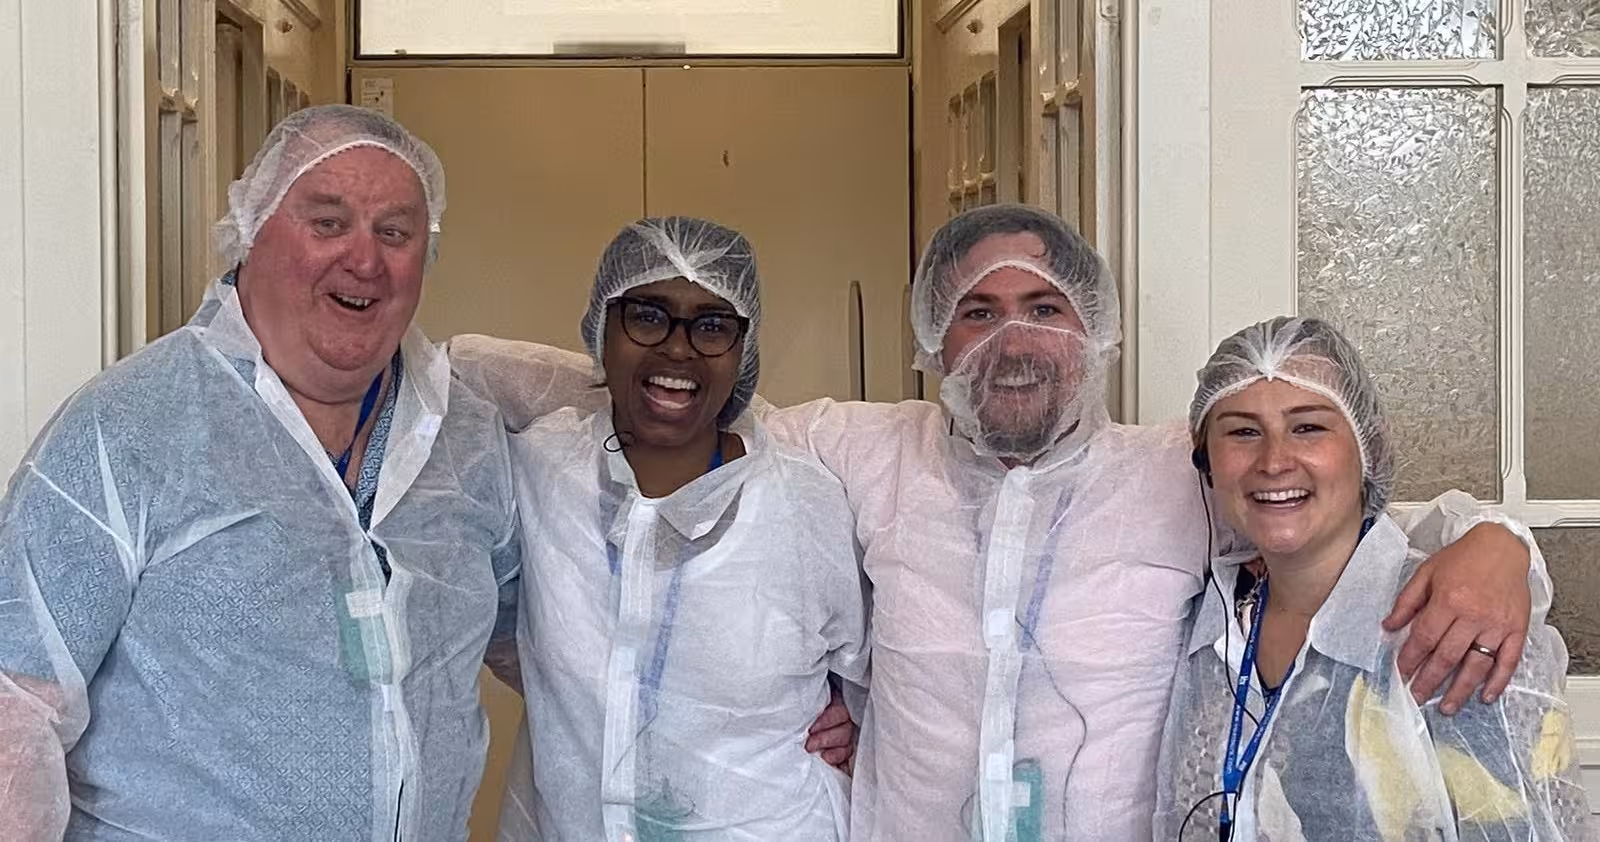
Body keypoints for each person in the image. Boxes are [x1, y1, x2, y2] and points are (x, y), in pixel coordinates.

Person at [448, 204, 1540, 841]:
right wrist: (418, 372)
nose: (1011, 341)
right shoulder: (854, 447)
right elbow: (674, 395)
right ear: (933, 331)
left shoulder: (1190, 463)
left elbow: (1357, 503)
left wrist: (1498, 542)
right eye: (976, 310)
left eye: (1044, 309)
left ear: (1094, 331)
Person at [0, 105, 522, 840]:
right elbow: (16, 703)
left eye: (395, 233)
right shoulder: (129, 428)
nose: (365, 261)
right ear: (251, 235)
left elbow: (535, 641)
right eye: (328, 222)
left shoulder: (464, 435)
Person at [494, 217, 868, 841]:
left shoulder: (804, 507)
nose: (678, 347)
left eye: (712, 325)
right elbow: (445, 371)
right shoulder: (540, 470)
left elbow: (886, 674)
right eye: (647, 314)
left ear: (743, 351)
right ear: (600, 329)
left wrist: (862, 725)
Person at [1156, 316, 1594, 841]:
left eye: (1308, 427)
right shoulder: (1214, 618)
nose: (1274, 461)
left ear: (1367, 449)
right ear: (1206, 460)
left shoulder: (1460, 626)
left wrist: (1502, 540)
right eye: (1243, 431)